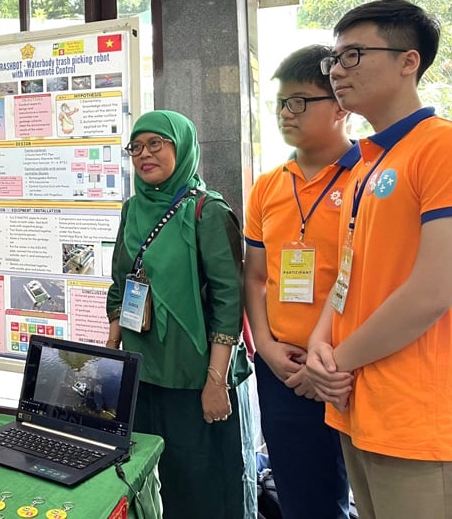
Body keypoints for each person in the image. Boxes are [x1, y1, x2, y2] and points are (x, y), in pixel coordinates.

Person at [306, 0, 452, 518]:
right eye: (334, 58)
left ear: (410, 61)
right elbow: (349, 273)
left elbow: (432, 293)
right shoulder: (366, 163)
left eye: (355, 54)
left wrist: (335, 361)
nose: (337, 70)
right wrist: (319, 341)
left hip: (415, 413)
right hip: (355, 400)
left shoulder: (450, 148)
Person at [105, 110, 256, 518]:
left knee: (203, 485)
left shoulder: (208, 212)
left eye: (156, 144)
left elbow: (230, 303)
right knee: (150, 481)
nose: (144, 154)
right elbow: (122, 283)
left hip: (197, 379)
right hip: (143, 373)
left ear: (183, 147)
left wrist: (215, 382)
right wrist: (112, 355)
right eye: (136, 147)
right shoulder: (132, 209)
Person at [244, 45, 356, 519]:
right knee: (298, 492)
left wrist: (324, 361)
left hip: (347, 367)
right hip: (282, 367)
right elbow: (253, 277)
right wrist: (266, 347)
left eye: (300, 101)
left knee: (358, 492)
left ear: (341, 106)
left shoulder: (369, 178)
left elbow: (372, 278)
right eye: (280, 102)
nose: (285, 113)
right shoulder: (268, 185)